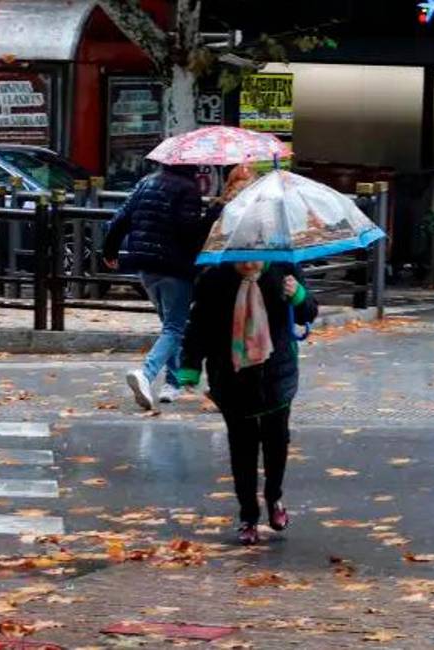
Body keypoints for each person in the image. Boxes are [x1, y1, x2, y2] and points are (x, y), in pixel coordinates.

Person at [177, 261, 318, 546]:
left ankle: (274, 496)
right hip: (231, 376)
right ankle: (248, 515)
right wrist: (190, 366)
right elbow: (198, 326)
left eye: (256, 256)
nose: (250, 263)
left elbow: (309, 312)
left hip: (276, 374)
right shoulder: (214, 279)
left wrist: (299, 295)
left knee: (276, 442)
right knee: (242, 447)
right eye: (243, 257)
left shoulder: (283, 270)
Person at [103, 165, 222, 410]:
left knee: (170, 326)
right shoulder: (188, 189)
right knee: (174, 328)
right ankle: (146, 375)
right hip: (174, 267)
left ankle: (173, 384)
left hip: (145, 267)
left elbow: (123, 216)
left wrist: (110, 249)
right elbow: (189, 233)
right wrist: (211, 216)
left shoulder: (146, 181)